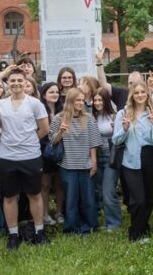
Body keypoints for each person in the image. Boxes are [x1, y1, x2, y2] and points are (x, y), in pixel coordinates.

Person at [0, 70, 50, 249]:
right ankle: (13, 234)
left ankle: (39, 231)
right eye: (12, 80)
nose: (16, 83)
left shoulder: (35, 103)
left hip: (31, 156)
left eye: (19, 80)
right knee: (9, 197)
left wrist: (28, 141)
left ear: (25, 82)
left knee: (35, 194)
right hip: (7, 157)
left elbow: (44, 129)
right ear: (7, 83)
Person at [47, 87, 103, 235]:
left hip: (85, 164)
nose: (80, 103)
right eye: (77, 100)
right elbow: (52, 141)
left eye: (82, 100)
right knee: (71, 199)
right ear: (70, 101)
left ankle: (89, 226)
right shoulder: (59, 118)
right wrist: (61, 131)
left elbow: (93, 142)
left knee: (88, 198)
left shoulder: (89, 118)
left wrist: (93, 161)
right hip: (67, 165)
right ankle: (71, 228)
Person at [112, 82, 153, 242]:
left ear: (147, 94)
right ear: (132, 95)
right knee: (137, 200)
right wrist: (124, 129)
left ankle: (143, 227)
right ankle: (135, 233)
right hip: (130, 159)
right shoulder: (123, 113)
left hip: (149, 157)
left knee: (149, 198)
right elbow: (116, 140)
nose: (140, 95)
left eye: (143, 92)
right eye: (136, 92)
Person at [91, 89, 123, 232]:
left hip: (111, 158)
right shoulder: (92, 117)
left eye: (100, 100)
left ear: (106, 101)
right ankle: (108, 220)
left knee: (108, 191)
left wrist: (117, 127)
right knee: (99, 191)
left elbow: (121, 136)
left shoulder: (114, 116)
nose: (97, 103)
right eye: (95, 100)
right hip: (96, 157)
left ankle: (114, 223)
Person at [38, 82, 64, 227]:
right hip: (44, 150)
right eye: (51, 92)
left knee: (60, 184)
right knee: (45, 184)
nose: (55, 95)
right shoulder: (39, 110)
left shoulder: (63, 110)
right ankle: (45, 214)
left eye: (56, 92)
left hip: (61, 149)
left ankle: (59, 213)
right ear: (44, 95)